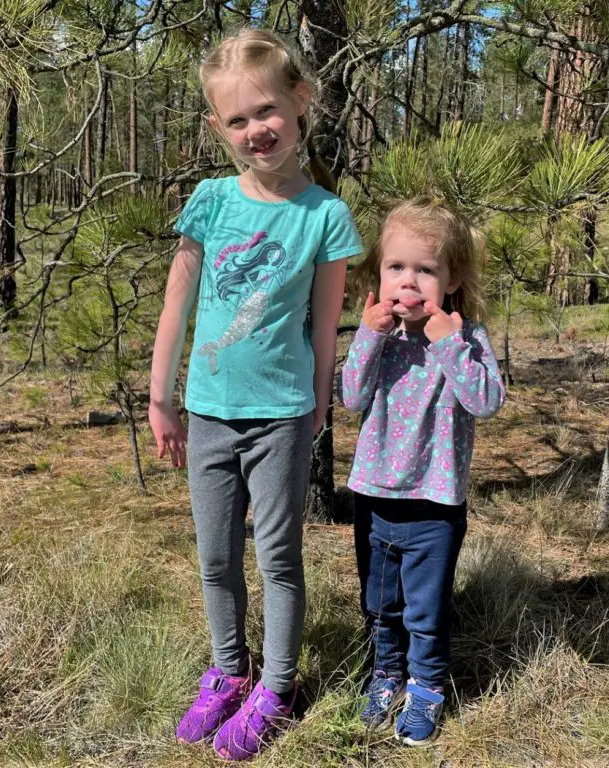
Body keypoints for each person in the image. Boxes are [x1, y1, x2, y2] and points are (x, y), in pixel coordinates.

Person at [147, 28, 362, 762]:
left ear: (300, 103)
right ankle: (229, 669)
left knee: (277, 557)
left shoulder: (325, 217)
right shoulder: (208, 203)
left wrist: (317, 407)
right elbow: (176, 307)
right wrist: (160, 398)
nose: (254, 131)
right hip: (209, 410)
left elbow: (325, 327)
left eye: (265, 111)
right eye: (236, 120)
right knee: (215, 557)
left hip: (281, 416)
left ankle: (278, 687)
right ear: (217, 129)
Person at [338, 197, 505, 745]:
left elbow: (485, 401)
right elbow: (352, 395)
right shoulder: (381, 337)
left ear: (450, 278)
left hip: (435, 504)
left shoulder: (466, 337)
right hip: (376, 495)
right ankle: (386, 675)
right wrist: (368, 334)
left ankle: (428, 687)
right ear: (378, 272)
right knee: (381, 602)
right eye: (396, 267)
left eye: (425, 270)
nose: (408, 282)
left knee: (425, 609)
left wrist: (449, 344)